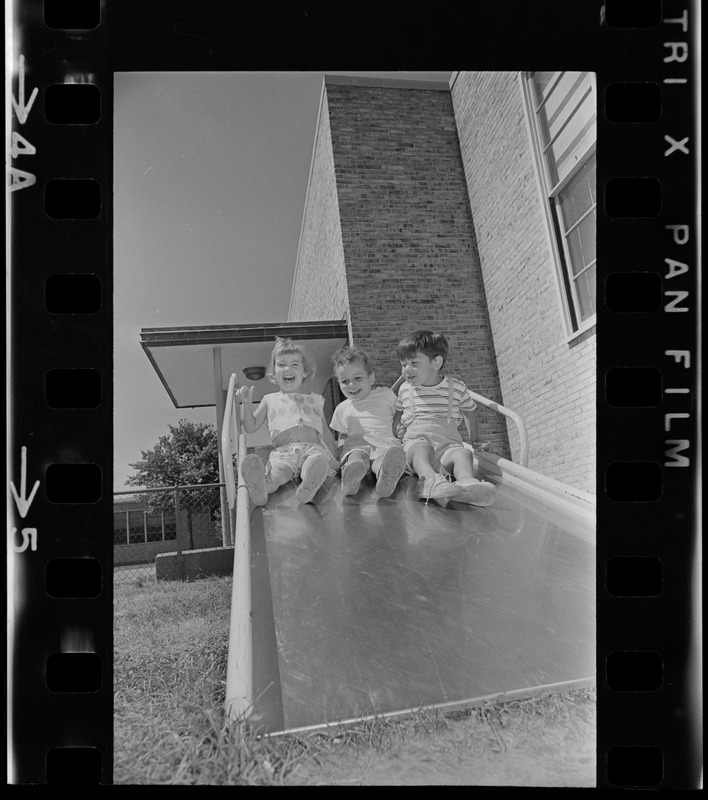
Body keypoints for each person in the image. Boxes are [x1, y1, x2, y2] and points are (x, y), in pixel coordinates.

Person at [393, 329, 496, 506]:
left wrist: (475, 440)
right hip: (416, 448)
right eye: (403, 364)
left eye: (414, 363)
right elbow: (398, 414)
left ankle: (466, 484)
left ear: (436, 362)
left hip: (447, 447)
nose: (406, 370)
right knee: (421, 448)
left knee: (463, 453)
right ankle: (429, 480)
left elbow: (469, 411)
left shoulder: (456, 388)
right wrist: (396, 432)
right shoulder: (404, 390)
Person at [235, 337, 339, 505]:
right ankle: (262, 487)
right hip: (284, 453)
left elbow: (325, 433)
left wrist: (334, 458)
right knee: (278, 473)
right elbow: (250, 426)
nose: (287, 369)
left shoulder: (315, 400)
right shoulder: (269, 400)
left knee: (313, 463)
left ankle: (309, 486)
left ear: (305, 371)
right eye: (281, 365)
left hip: (312, 450)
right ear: (273, 372)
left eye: (294, 365)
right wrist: (246, 403)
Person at [330, 346, 407, 497]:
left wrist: (402, 429)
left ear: (371, 378)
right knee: (357, 456)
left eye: (358, 378)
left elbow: (401, 416)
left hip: (385, 445)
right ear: (338, 383)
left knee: (384, 461)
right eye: (345, 381)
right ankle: (352, 475)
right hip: (358, 446)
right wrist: (338, 453)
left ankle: (386, 477)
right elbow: (343, 435)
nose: (351, 385)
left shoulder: (386, 395)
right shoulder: (341, 408)